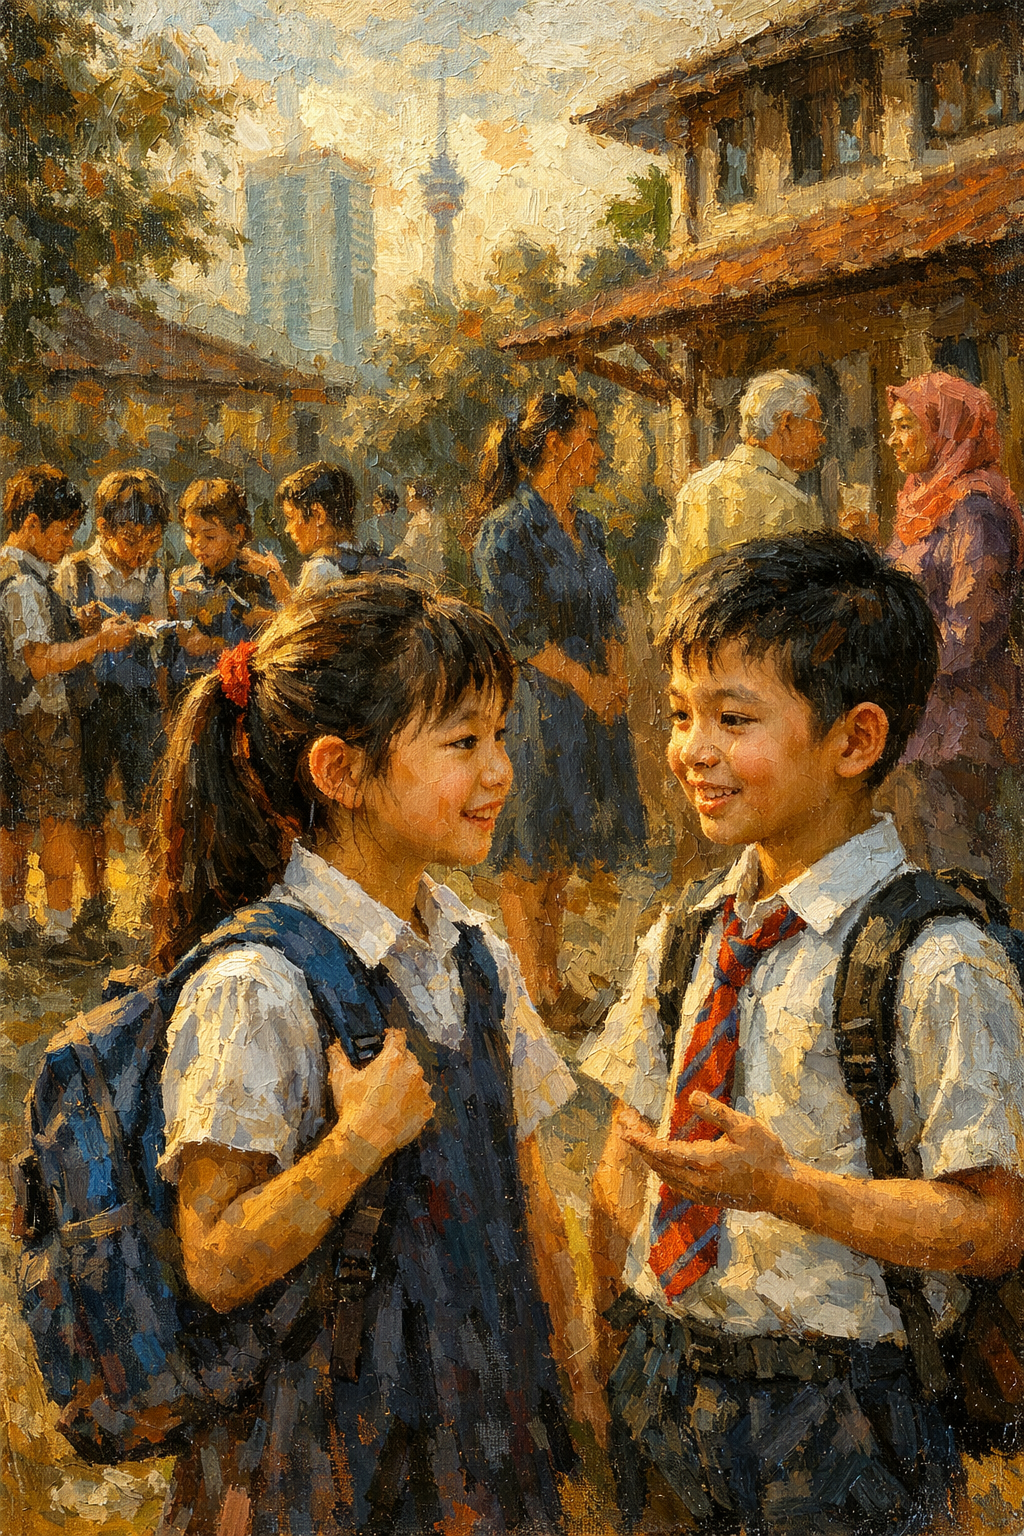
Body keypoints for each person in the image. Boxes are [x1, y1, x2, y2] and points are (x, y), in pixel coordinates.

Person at [581, 532, 1024, 1536]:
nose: (692, 750)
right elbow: (624, 1154)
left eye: (734, 719)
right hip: (663, 1383)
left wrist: (781, 1191)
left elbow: (992, 1225)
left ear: (856, 741)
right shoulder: (688, 934)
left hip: (843, 1411)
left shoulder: (935, 960)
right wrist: (608, 1337)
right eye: (682, 714)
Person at [151, 577, 597, 1536]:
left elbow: (527, 1196)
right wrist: (355, 1146)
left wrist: (579, 1374)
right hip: (325, 1458)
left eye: (502, 737)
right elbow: (217, 1260)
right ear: (341, 773)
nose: (500, 773)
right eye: (464, 742)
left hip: (486, 1438)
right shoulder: (256, 984)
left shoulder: (476, 953)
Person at [472, 393, 646, 1013]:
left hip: (591, 705)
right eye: (591, 438)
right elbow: (517, 633)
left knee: (565, 844)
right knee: (529, 849)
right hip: (538, 705)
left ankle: (551, 978)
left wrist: (617, 673)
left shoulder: (590, 527)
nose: (599, 452)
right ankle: (528, 987)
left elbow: (607, 610)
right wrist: (586, 681)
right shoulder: (508, 529)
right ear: (556, 444)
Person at [881, 371, 1023, 895]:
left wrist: (895, 661)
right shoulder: (920, 502)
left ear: (945, 430)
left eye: (904, 427)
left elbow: (968, 629)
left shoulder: (975, 508)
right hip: (920, 717)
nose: (892, 440)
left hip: (963, 724)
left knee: (965, 871)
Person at [0, 466, 135, 957]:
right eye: (63, 530)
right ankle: (58, 932)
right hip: (43, 720)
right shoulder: (23, 584)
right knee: (57, 821)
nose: (68, 541)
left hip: (12, 721)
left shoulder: (21, 577)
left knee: (13, 821)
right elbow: (37, 659)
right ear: (33, 524)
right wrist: (97, 642)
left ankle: (14, 923)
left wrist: (74, 621)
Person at [56, 468, 171, 947]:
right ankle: (97, 900)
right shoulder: (77, 571)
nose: (140, 547)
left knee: (148, 803)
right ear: (103, 528)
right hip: (90, 701)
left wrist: (153, 627)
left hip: (140, 700)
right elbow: (57, 642)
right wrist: (84, 629)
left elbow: (164, 637)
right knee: (91, 806)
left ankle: (155, 897)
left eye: (150, 537)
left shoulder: (154, 575)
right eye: (130, 535)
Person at [649, 370, 825, 636]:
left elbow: (664, 594)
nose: (821, 437)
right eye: (816, 425)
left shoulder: (695, 490)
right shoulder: (793, 506)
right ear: (786, 424)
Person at [170, 478, 286, 687]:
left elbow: (277, 641)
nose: (198, 545)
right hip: (192, 689)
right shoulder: (181, 581)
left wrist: (214, 646)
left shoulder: (259, 580)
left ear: (237, 533)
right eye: (191, 534)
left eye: (210, 536)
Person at [277, 461, 401, 594]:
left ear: (319, 515)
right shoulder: (367, 558)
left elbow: (296, 614)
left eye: (291, 517)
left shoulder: (320, 570)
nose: (287, 529)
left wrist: (273, 575)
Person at [393, 478, 445, 587]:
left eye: (411, 497)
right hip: (415, 571)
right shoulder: (415, 521)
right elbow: (406, 548)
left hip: (427, 574)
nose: (407, 500)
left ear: (422, 500)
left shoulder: (432, 522)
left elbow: (435, 553)